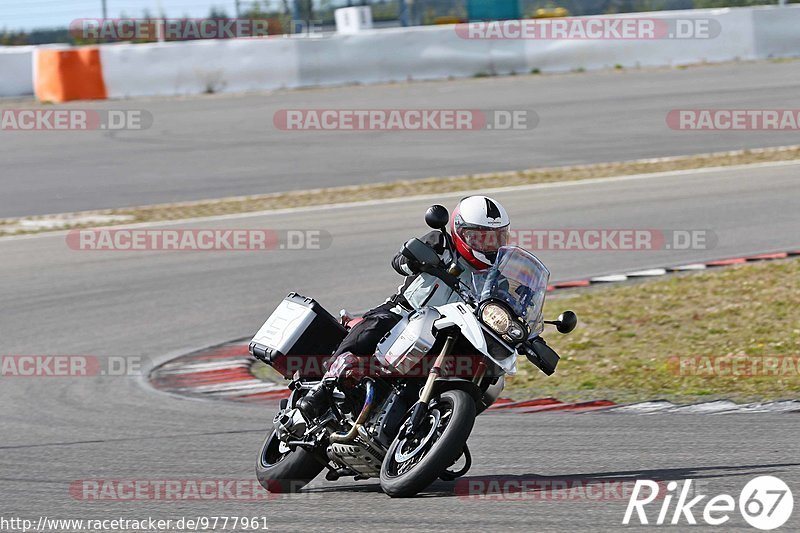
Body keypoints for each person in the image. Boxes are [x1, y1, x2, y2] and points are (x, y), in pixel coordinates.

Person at [299, 195, 511, 417]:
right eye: (481, 238)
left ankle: (440, 424)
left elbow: (508, 307)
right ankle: (323, 388)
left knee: (484, 369)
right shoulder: (441, 244)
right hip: (405, 313)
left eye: (496, 238)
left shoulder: (497, 277)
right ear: (460, 232)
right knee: (374, 329)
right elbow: (399, 261)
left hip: (449, 335)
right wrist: (413, 261)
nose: (489, 245)